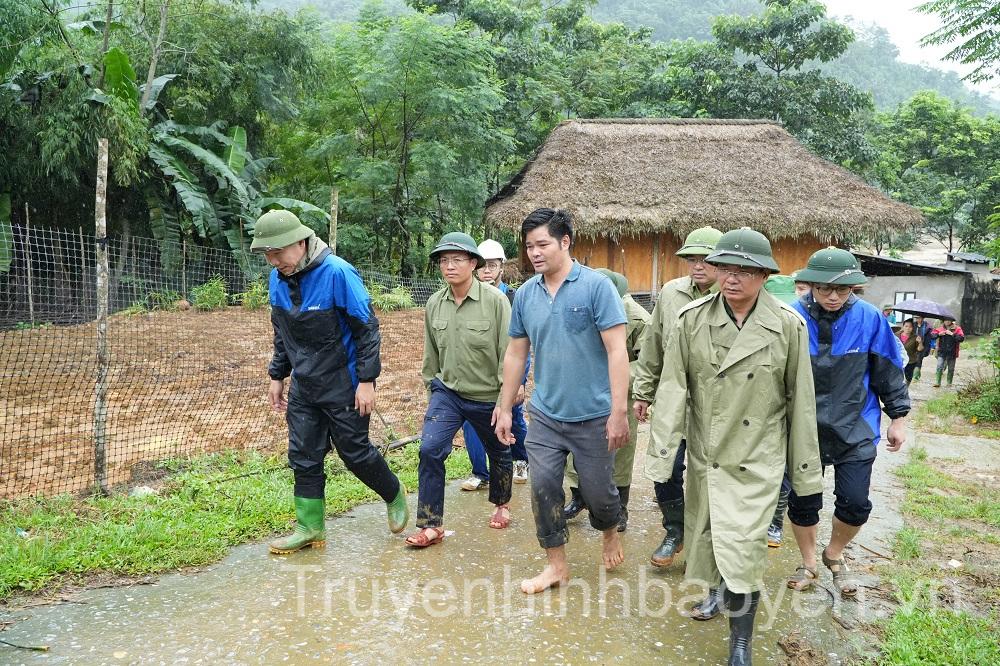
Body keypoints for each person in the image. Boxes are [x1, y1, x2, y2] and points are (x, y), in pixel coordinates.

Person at [644, 227, 822, 666]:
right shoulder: (690, 319)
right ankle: (714, 595)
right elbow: (672, 389)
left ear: (764, 275)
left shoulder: (786, 325)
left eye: (745, 270)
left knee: (743, 549)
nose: (733, 278)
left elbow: (800, 402)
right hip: (708, 453)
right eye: (726, 268)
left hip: (757, 457)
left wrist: (805, 476)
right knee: (707, 537)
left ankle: (740, 641)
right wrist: (663, 455)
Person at [252, 210, 408, 554]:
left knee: (355, 453)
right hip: (305, 387)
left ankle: (393, 493)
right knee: (304, 455)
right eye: (267, 255)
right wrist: (277, 375)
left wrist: (367, 380)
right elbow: (282, 333)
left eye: (277, 253)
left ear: (300, 241)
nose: (273, 261)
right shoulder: (278, 279)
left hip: (345, 383)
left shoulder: (338, 272)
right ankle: (310, 527)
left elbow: (367, 329)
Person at [494, 208, 630, 595]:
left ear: (565, 242)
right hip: (546, 416)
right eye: (529, 246)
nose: (534, 253)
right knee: (543, 487)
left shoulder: (596, 287)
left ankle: (609, 531)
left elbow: (617, 351)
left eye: (542, 244)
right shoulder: (525, 295)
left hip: (593, 415)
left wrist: (618, 412)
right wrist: (505, 407)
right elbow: (516, 354)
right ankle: (556, 565)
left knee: (600, 495)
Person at [786, 247, 909, 599]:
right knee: (803, 501)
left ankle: (833, 554)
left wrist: (898, 417)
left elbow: (887, 370)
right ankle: (809, 562)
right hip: (803, 428)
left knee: (855, 504)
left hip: (855, 426)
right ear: (811, 285)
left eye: (844, 289)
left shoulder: (870, 318)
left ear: (854, 288)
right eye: (825, 288)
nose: (834, 295)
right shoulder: (790, 317)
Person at [405, 232, 515, 547]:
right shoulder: (435, 303)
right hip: (448, 394)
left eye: (456, 260)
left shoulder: (495, 301)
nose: (449, 266)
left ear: (473, 263)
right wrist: (433, 395)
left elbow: (507, 352)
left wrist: (504, 402)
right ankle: (431, 524)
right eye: (443, 261)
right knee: (429, 449)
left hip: (487, 395)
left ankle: (501, 502)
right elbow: (431, 357)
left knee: (498, 451)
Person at [632, 226, 722, 580]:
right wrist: (643, 391)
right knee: (664, 469)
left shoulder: (731, 295)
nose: (697, 266)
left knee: (708, 476)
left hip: (714, 406)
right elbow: (653, 345)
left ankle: (706, 542)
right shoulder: (670, 294)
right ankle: (675, 530)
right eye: (691, 259)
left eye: (705, 260)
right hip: (673, 400)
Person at [563, 268, 650, 532]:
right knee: (574, 447)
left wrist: (616, 376)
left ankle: (620, 507)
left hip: (619, 394)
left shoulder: (637, 318)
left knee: (620, 450)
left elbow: (646, 362)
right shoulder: (579, 309)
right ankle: (578, 497)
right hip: (580, 392)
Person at [460, 239, 530, 489]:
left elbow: (523, 346)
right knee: (471, 422)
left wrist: (520, 382)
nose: (487, 270)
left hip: (506, 374)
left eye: (492, 265)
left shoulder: (512, 298)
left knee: (515, 418)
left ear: (502, 266)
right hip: (476, 376)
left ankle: (521, 460)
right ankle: (480, 473)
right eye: (483, 266)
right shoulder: (466, 297)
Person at [930, 318, 965, 387]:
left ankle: (949, 383)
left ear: (952, 321)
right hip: (941, 351)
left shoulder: (957, 329)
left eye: (949, 320)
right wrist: (939, 334)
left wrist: (952, 334)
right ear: (943, 321)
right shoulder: (940, 329)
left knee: (951, 368)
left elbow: (961, 339)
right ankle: (937, 382)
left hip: (952, 352)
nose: (947, 321)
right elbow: (932, 336)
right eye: (945, 320)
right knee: (939, 365)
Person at [898, 319, 924, 385]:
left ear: (912, 328)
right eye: (906, 326)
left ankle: (905, 392)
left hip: (910, 361)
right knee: (897, 378)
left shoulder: (915, 337)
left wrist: (920, 342)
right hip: (898, 360)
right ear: (903, 326)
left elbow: (920, 349)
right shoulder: (896, 335)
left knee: (907, 379)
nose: (908, 328)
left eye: (910, 327)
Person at [911, 315, 932, 382]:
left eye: (919, 318)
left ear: (923, 318)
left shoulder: (927, 326)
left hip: (923, 345)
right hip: (914, 345)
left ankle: (915, 377)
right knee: (914, 359)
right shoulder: (913, 325)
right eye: (916, 318)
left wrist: (928, 348)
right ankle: (916, 374)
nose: (917, 320)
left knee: (919, 359)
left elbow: (929, 338)